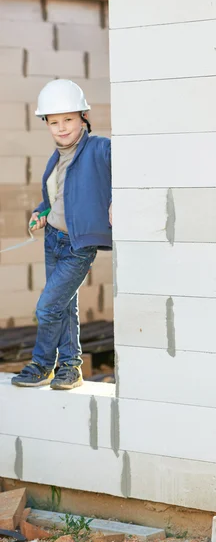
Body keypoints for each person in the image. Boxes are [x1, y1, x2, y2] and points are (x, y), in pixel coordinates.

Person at [11, 79, 112, 391]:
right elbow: (61, 195)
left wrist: (117, 200)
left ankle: (42, 366)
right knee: (65, 306)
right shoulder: (58, 157)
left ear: (83, 117)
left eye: (68, 119)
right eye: (54, 122)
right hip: (54, 239)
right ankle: (69, 368)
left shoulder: (99, 148)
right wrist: (42, 212)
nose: (62, 128)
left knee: (47, 307)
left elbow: (131, 168)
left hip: (78, 245)